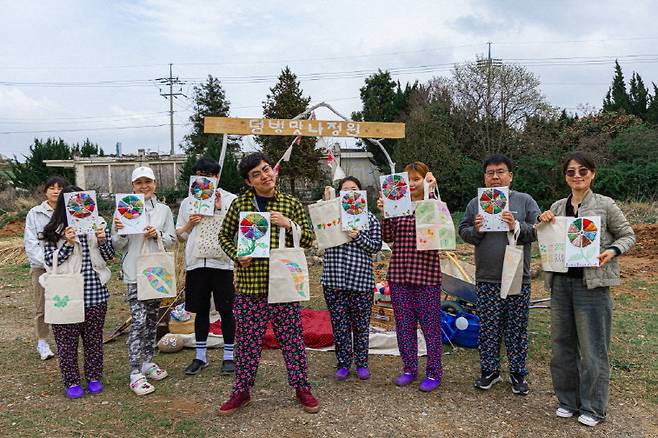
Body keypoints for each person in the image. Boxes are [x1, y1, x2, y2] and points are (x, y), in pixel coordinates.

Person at [537, 151, 635, 427]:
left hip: (592, 285)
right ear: (565, 176)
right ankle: (568, 400)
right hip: (561, 284)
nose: (577, 176)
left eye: (583, 171)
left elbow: (628, 234)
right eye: (571, 172)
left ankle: (593, 407)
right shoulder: (557, 207)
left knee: (593, 350)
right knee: (562, 347)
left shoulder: (605, 205)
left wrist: (612, 250)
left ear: (592, 174)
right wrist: (542, 222)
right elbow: (543, 237)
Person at [217, 152, 319, 415]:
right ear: (249, 182)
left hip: (284, 284)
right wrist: (237, 256)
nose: (264, 176)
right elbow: (224, 237)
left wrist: (288, 224)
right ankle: (241, 390)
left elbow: (308, 239)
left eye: (266, 170)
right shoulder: (241, 206)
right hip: (251, 286)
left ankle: (301, 387)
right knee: (248, 341)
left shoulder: (291, 204)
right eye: (256, 174)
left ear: (273, 171)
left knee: (292, 339)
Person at [458, 154, 540, 395]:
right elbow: (463, 230)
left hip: (517, 277)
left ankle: (517, 373)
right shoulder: (476, 203)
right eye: (490, 172)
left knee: (517, 327)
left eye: (500, 171)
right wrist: (477, 230)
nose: (495, 176)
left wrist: (516, 225)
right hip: (486, 277)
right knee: (489, 327)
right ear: (484, 176)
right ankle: (490, 371)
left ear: (510, 176)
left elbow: (538, 230)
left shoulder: (524, 201)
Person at [41, 186, 114, 398]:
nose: (80, 207)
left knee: (93, 340)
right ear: (65, 205)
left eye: (84, 202)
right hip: (65, 294)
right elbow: (48, 261)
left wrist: (102, 240)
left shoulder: (98, 223)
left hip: (95, 293)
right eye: (74, 203)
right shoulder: (53, 229)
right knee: (66, 343)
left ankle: (94, 376)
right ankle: (71, 381)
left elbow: (109, 256)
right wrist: (68, 244)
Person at [377, 162, 443, 392]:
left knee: (430, 327)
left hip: (426, 276)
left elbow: (439, 229)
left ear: (425, 179)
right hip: (399, 274)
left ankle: (434, 372)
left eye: (417, 178)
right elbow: (387, 237)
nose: (412, 183)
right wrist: (385, 212)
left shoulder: (433, 203)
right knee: (404, 326)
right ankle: (409, 368)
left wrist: (430, 192)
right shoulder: (398, 206)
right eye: (408, 179)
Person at [112, 166, 176, 396]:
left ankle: (148, 362)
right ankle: (134, 371)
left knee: (151, 319)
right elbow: (116, 245)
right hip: (133, 272)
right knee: (138, 321)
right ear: (132, 186)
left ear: (155, 184)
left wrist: (156, 234)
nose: (143, 186)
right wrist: (121, 232)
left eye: (147, 181)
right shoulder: (123, 209)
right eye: (138, 182)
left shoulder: (164, 210)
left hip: (156, 272)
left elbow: (172, 240)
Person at [176, 158, 237, 376]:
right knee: (200, 310)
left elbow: (237, 229)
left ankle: (229, 355)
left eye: (210, 174)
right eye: (200, 174)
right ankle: (200, 356)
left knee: (226, 309)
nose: (205, 178)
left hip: (222, 262)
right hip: (196, 263)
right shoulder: (187, 202)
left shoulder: (231, 200)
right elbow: (180, 236)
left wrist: (219, 210)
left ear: (217, 177)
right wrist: (190, 223)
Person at [321, 176, 382, 381]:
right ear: (339, 195)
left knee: (361, 326)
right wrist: (326, 205)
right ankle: (343, 363)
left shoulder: (370, 218)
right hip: (334, 281)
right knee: (340, 326)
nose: (350, 193)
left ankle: (362, 363)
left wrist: (357, 235)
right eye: (345, 190)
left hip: (361, 282)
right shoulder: (331, 217)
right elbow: (321, 238)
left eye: (353, 189)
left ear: (361, 192)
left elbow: (375, 246)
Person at [24, 176, 68, 360]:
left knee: (63, 302)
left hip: (65, 265)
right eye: (52, 187)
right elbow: (31, 242)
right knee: (42, 305)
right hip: (41, 266)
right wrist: (48, 262)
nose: (56, 191)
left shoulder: (69, 211)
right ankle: (42, 341)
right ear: (45, 191)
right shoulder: (35, 213)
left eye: (60, 188)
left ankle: (64, 338)